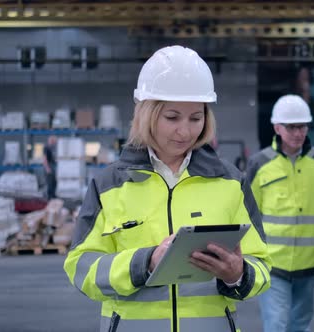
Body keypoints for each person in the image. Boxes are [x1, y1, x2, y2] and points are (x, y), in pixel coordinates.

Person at [63, 45, 271, 332]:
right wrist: (144, 262)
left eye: (196, 118)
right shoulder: (109, 185)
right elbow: (81, 268)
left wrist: (238, 274)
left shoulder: (231, 182)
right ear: (147, 114)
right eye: (172, 118)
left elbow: (261, 264)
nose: (185, 131)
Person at [246, 94, 314, 332]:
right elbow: (248, 212)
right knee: (277, 324)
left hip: (308, 263)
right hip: (273, 263)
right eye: (291, 127)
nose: (298, 133)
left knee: (300, 325)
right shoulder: (259, 164)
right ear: (277, 128)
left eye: (302, 126)